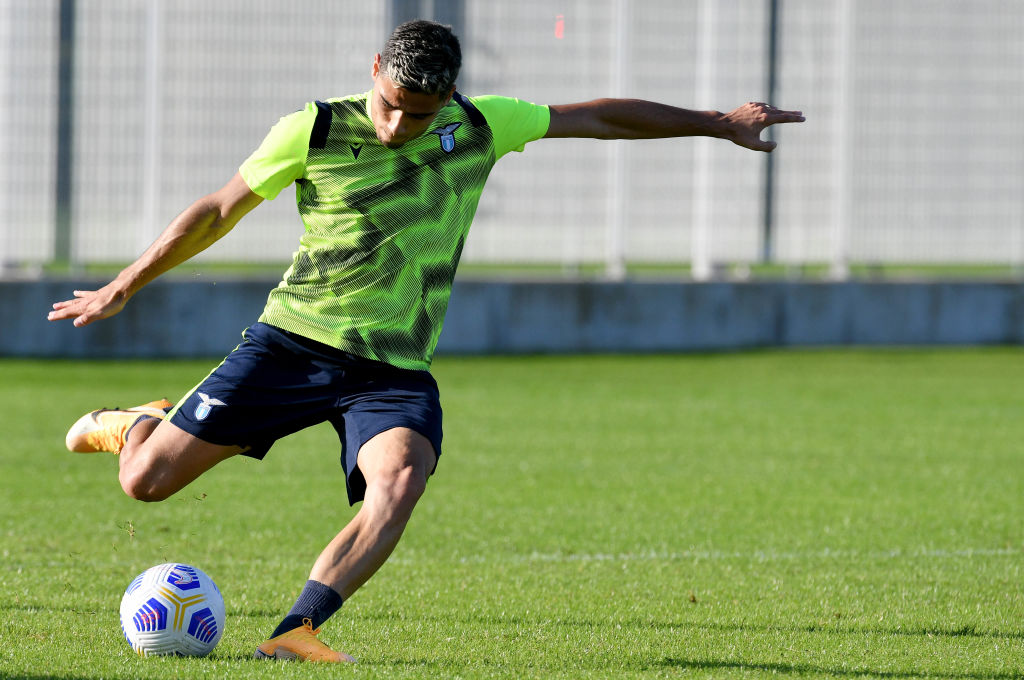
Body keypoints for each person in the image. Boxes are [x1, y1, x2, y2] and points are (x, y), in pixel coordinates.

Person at [48, 20, 804, 663]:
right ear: (374, 72)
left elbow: (602, 117)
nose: (395, 126)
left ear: (448, 97)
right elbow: (218, 209)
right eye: (388, 106)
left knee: (401, 480)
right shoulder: (313, 127)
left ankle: (295, 631)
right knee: (144, 484)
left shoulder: (481, 125)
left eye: (416, 114)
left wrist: (717, 122)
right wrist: (125, 282)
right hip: (292, 344)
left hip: (394, 370)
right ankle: (133, 425)